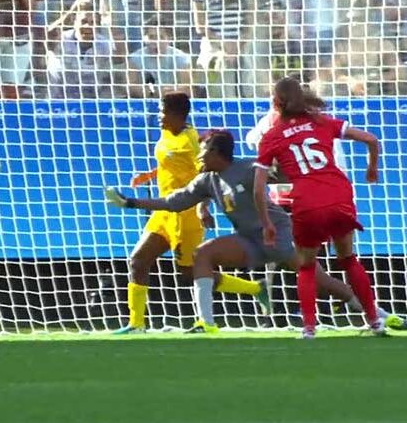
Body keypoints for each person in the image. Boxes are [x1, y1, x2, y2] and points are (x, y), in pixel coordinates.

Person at [107, 129, 401, 333]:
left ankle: (377, 315)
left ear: (218, 153)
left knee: (323, 283)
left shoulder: (250, 169)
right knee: (203, 255)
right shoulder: (206, 180)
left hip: (279, 236)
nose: (199, 157)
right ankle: (207, 324)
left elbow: (286, 174)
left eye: (204, 151)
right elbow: (172, 202)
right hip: (249, 241)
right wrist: (130, 202)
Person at [108, 93, 269, 334]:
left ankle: (256, 289)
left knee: (188, 272)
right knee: (138, 260)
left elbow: (205, 174)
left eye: (163, 112)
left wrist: (202, 207)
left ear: (177, 115)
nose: (159, 117)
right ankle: (136, 324)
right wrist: (149, 175)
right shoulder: (166, 133)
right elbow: (170, 163)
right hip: (163, 212)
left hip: (185, 214)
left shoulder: (191, 141)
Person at [254, 77, 385, 339]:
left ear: (276, 103)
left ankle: (309, 328)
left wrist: (267, 223)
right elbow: (371, 139)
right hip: (338, 193)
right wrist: (372, 169)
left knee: (306, 265)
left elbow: (258, 188)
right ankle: (374, 321)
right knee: (348, 259)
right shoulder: (322, 121)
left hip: (307, 201)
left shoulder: (271, 136)